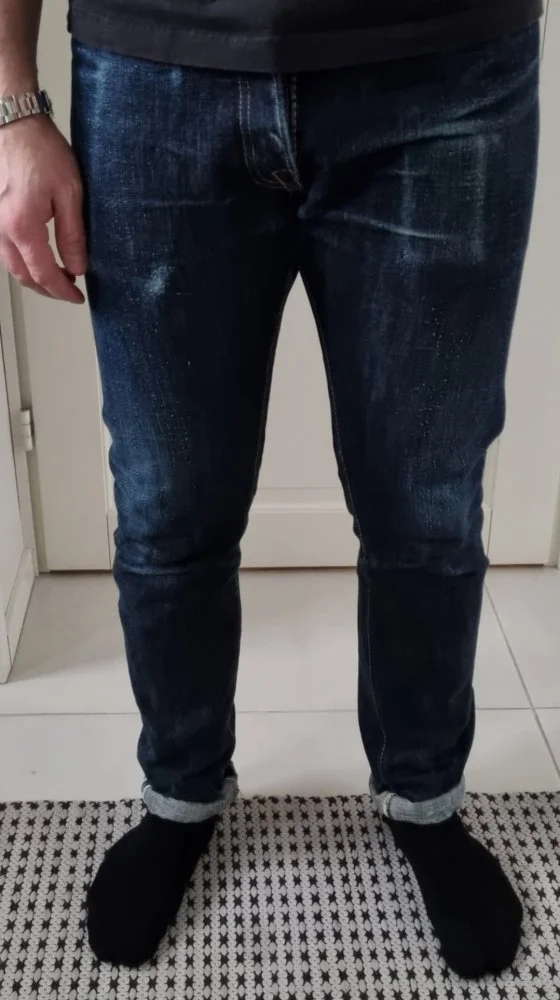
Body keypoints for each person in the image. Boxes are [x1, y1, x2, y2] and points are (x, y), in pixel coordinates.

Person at [0, 0, 542, 979]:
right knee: (169, 506)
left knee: (425, 506)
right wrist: (12, 103)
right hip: (152, 69)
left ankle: (424, 796)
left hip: (445, 67)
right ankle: (181, 790)